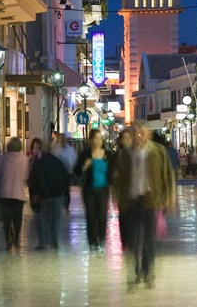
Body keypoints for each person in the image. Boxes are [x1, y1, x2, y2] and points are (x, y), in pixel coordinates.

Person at [115, 122, 175, 290]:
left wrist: (169, 197)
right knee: (132, 240)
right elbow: (118, 179)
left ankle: (147, 271)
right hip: (131, 201)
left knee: (149, 240)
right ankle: (136, 270)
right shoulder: (123, 155)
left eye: (141, 133)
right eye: (134, 134)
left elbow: (167, 175)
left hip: (150, 201)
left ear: (147, 134)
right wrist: (118, 197)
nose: (138, 137)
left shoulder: (158, 152)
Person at [75, 129, 114, 253]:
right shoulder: (85, 154)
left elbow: (113, 172)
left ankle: (101, 240)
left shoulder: (108, 154)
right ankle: (92, 242)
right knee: (91, 216)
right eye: (95, 138)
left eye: (99, 138)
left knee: (102, 216)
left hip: (103, 189)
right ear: (91, 140)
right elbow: (76, 170)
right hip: (89, 190)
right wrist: (84, 166)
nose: (97, 141)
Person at [29, 143, 69, 250]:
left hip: (43, 195)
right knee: (56, 219)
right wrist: (66, 197)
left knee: (43, 219)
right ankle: (54, 241)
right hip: (57, 195)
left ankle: (43, 242)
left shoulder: (38, 163)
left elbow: (33, 180)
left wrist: (34, 195)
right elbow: (65, 180)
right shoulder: (59, 163)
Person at [0, 137, 29, 251]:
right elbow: (25, 177)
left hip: (5, 193)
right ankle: (16, 239)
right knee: (17, 218)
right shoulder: (24, 159)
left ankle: (8, 241)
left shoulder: (2, 158)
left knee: (6, 219)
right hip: (18, 194)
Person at [113, 129, 132, 249]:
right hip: (122, 192)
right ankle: (125, 241)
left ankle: (132, 240)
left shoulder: (136, 154)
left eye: (128, 138)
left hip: (134, 190)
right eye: (124, 138)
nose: (127, 141)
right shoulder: (117, 155)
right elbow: (112, 173)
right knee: (124, 217)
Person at [52, 133, 78, 212]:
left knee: (66, 190)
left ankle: (66, 206)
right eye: (60, 139)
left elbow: (74, 159)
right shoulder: (54, 150)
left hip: (67, 173)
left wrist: (73, 170)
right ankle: (58, 205)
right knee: (57, 190)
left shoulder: (71, 149)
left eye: (63, 138)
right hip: (57, 174)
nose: (62, 140)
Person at [28, 138, 43, 212]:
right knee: (32, 193)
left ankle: (38, 206)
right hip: (31, 178)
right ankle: (33, 206)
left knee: (38, 193)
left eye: (38, 144)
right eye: (35, 144)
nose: (36, 146)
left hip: (39, 178)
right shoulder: (30, 154)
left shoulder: (42, 154)